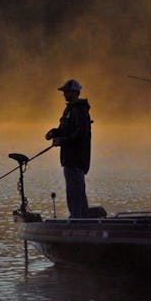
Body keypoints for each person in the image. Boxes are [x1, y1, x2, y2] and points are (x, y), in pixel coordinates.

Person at [45, 78, 92, 218]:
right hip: (69, 159)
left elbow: (80, 135)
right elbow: (64, 130)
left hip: (76, 159)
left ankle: (78, 219)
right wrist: (54, 133)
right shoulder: (69, 109)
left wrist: (62, 141)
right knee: (72, 190)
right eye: (64, 92)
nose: (64, 94)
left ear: (75, 93)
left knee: (76, 191)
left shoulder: (79, 110)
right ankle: (78, 217)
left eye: (67, 92)